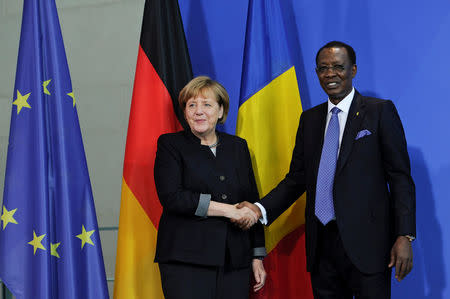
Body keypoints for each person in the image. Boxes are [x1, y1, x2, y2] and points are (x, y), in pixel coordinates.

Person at [236, 41, 416, 299]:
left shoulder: (378, 112)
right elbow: (297, 179)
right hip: (322, 248)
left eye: (338, 67)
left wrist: (404, 235)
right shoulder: (309, 120)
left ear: (353, 70)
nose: (330, 73)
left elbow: (400, 179)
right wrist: (259, 209)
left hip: (368, 246)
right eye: (323, 68)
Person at [153, 76, 267, 299]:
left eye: (207, 104)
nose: (199, 111)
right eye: (191, 105)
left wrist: (257, 256)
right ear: (185, 112)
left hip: (235, 260)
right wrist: (228, 210)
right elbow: (172, 197)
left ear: (221, 111)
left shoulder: (238, 147)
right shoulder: (170, 145)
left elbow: (251, 200)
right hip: (186, 259)